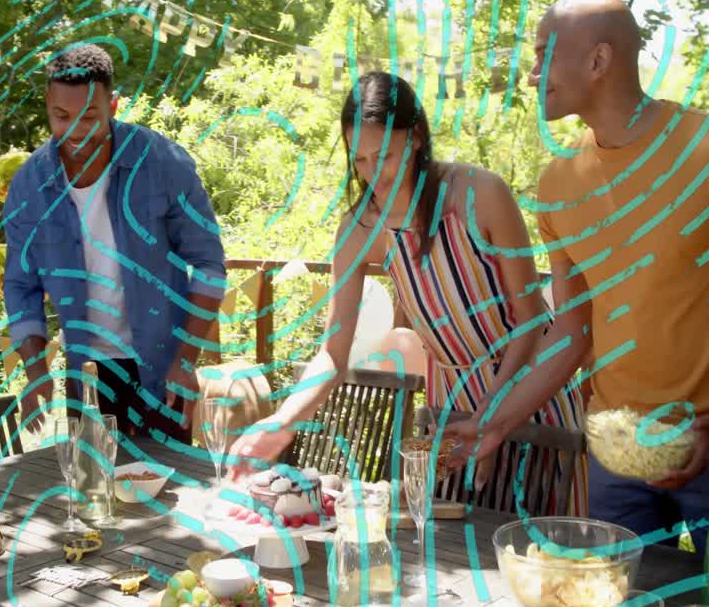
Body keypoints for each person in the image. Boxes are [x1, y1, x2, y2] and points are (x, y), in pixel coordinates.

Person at [444, 0, 709, 555]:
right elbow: (570, 334)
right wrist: (498, 421)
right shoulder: (558, 186)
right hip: (614, 456)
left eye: (545, 53)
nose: (531, 72)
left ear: (598, 61)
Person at [228, 71, 585, 515]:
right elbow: (334, 355)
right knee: (449, 543)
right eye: (359, 160)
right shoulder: (359, 229)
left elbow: (531, 323)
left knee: (538, 549)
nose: (374, 175)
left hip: (532, 396)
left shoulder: (482, 194)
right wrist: (283, 422)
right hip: (451, 410)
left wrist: (491, 419)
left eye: (385, 156)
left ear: (415, 137)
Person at [3, 43, 226, 443]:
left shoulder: (164, 162)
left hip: (165, 370)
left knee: (166, 492)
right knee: (94, 494)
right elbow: (22, 284)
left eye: (89, 117)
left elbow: (208, 265)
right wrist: (36, 372)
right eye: (61, 116)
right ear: (47, 108)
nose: (74, 132)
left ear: (114, 106)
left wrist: (186, 359)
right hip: (86, 376)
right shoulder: (28, 186)